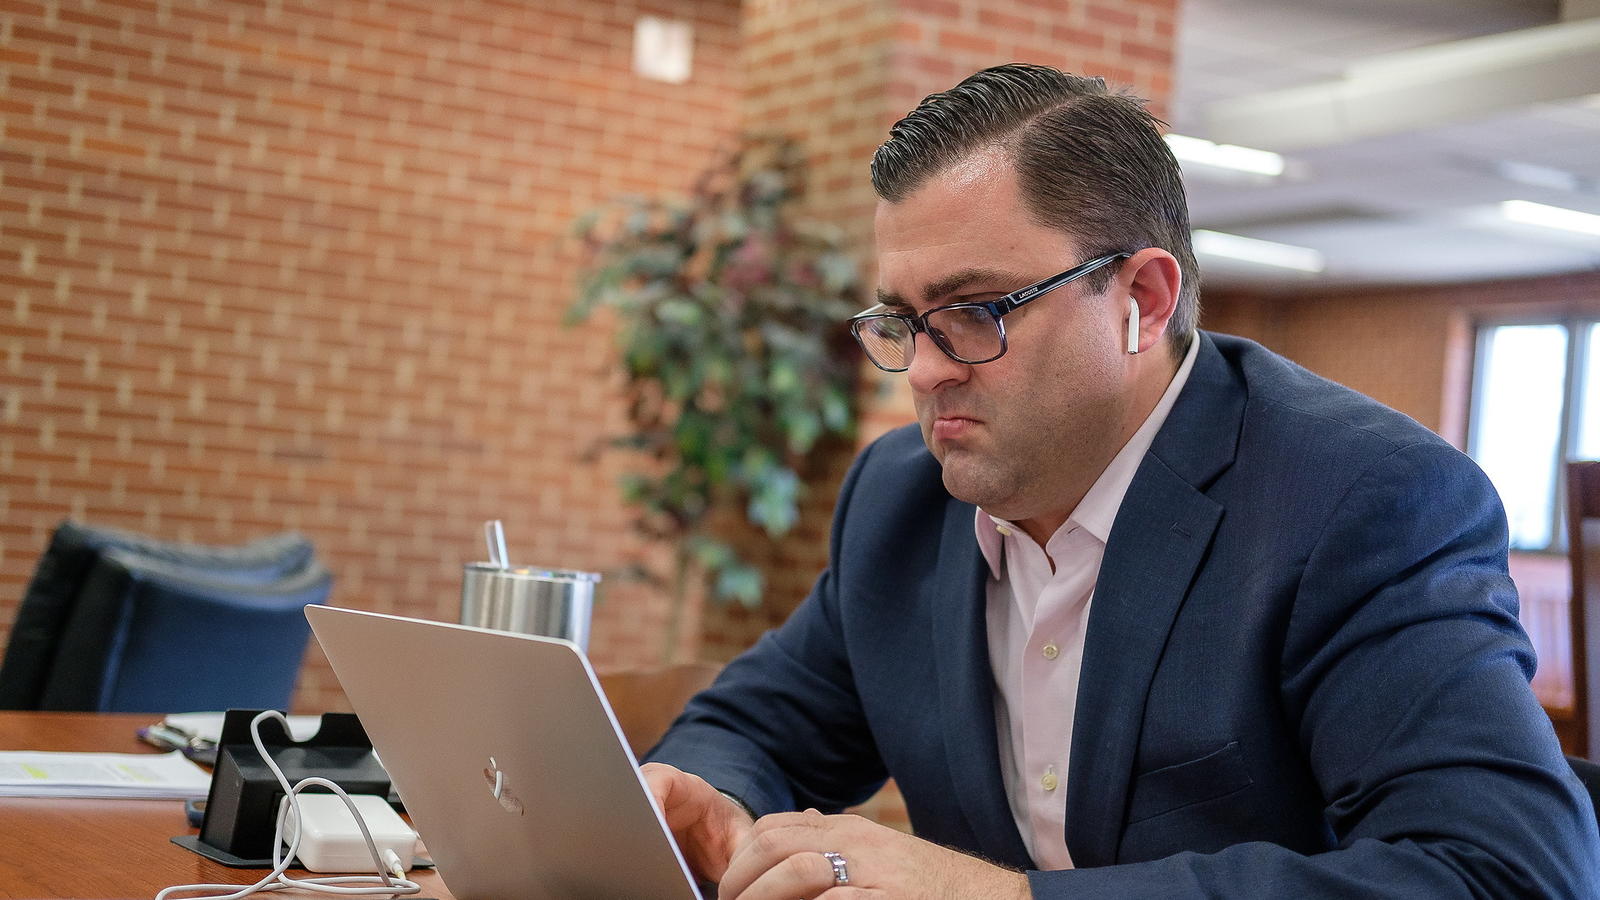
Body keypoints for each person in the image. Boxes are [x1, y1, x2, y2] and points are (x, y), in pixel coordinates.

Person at [642, 64, 1600, 898]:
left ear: (1142, 300)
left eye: (974, 313)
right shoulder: (901, 495)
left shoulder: (1361, 500)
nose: (926, 370)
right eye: (903, 318)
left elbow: (1503, 872)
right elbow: (755, 724)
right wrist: (702, 796)